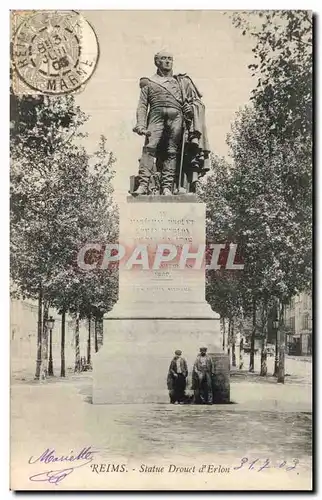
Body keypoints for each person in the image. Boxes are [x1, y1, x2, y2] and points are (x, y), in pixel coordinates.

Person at [132, 51, 210, 196]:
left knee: (172, 151)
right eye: (163, 59)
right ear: (156, 62)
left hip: (176, 117)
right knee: (149, 148)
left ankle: (167, 186)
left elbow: (194, 102)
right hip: (156, 115)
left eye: (170, 59)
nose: (167, 61)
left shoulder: (180, 82)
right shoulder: (148, 82)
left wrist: (189, 109)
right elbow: (142, 105)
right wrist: (141, 125)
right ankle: (143, 184)